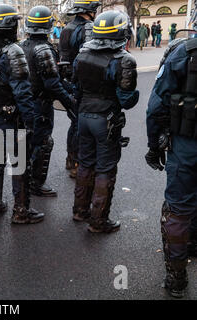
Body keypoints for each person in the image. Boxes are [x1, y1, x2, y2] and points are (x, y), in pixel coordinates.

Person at [144, 1, 197, 298]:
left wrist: (155, 146)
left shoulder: (182, 52)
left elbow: (155, 107)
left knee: (177, 208)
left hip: (187, 146)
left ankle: (176, 279)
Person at [0, 4, 45, 224]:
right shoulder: (13, 51)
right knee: (20, 164)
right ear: (9, 24)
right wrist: (31, 123)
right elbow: (23, 93)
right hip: (10, 119)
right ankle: (21, 211)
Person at [72, 10, 139, 231]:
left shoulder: (81, 55)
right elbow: (127, 100)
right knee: (105, 169)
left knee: (85, 163)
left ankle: (80, 211)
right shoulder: (124, 60)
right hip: (106, 119)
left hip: (83, 116)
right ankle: (99, 221)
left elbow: (75, 88)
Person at [20, 5, 76, 197]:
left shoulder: (20, 47)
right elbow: (52, 84)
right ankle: (36, 183)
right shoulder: (44, 49)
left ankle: (24, 185)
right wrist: (70, 102)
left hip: (24, 103)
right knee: (43, 143)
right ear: (49, 26)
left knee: (26, 145)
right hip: (40, 105)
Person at [59, 0, 101, 179]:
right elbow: (90, 58)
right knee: (81, 126)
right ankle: (78, 163)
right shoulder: (88, 28)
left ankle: (71, 159)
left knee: (74, 123)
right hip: (82, 83)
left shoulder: (66, 28)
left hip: (68, 81)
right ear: (89, 10)